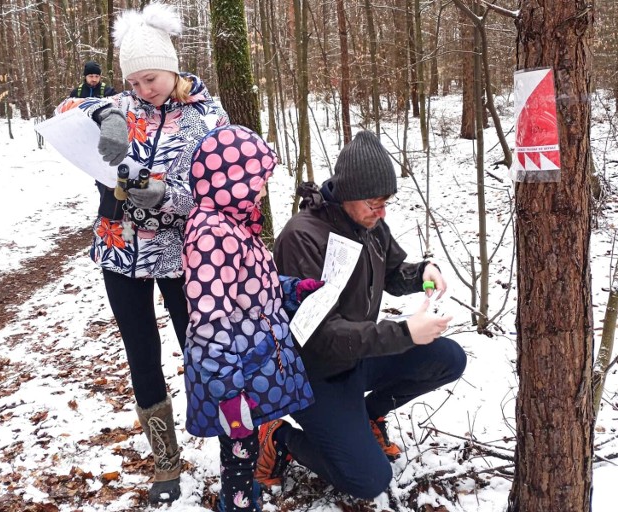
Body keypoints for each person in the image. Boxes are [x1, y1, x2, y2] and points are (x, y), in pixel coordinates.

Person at [55, 2, 229, 505]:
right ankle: (166, 460)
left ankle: (228, 445)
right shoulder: (120, 106)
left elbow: (220, 195)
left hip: (180, 253)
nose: (142, 90)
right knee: (141, 354)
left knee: (198, 348)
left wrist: (164, 195)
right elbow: (65, 116)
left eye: (149, 79)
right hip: (117, 251)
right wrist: (102, 114)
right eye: (133, 82)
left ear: (171, 67)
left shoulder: (208, 117)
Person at [256, 130, 468, 499]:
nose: (382, 212)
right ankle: (280, 438)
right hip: (315, 374)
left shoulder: (370, 223)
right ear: (347, 195)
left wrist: (422, 273)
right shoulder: (302, 238)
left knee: (448, 358)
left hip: (358, 357)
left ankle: (367, 415)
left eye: (385, 203)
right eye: (374, 203)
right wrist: (404, 333)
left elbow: (392, 271)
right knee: (368, 481)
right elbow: (320, 335)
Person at [181, 125, 315, 512]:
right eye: (259, 181)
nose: (263, 190)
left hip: (247, 365)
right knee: (240, 454)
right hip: (232, 378)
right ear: (232, 180)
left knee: (246, 448)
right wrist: (228, 395)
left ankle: (240, 501)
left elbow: (251, 288)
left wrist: (293, 290)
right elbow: (209, 321)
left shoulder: (232, 224)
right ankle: (238, 505)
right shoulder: (212, 234)